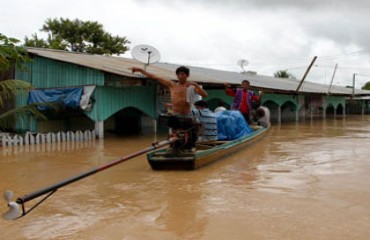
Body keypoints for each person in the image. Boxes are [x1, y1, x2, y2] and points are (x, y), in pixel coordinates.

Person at [131, 66, 208, 150]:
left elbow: (205, 95)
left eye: (183, 74)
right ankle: (173, 149)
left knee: (190, 139)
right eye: (179, 74)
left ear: (187, 76)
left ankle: (189, 150)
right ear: (177, 76)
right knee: (174, 138)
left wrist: (195, 84)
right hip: (175, 116)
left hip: (187, 116)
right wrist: (141, 70)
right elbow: (155, 77)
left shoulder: (191, 87)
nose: (181, 76)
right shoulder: (172, 85)